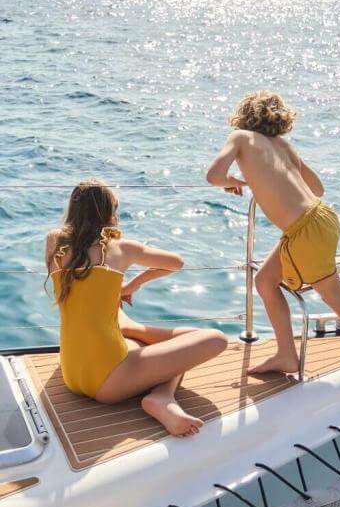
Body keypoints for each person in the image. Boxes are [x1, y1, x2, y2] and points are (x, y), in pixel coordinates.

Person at [206, 91, 340, 373]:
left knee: (334, 296)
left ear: (243, 116)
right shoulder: (283, 145)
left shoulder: (240, 137)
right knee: (265, 281)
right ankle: (286, 355)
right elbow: (317, 189)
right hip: (321, 217)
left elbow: (213, 176)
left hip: (304, 229)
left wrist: (238, 181)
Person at [45, 179, 228, 436]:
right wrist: (134, 284)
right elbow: (176, 262)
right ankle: (162, 397)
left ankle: (136, 334)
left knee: (128, 333)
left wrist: (115, 290)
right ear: (110, 214)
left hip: (71, 371)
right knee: (215, 339)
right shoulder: (121, 248)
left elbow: (83, 292)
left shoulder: (54, 242)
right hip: (109, 382)